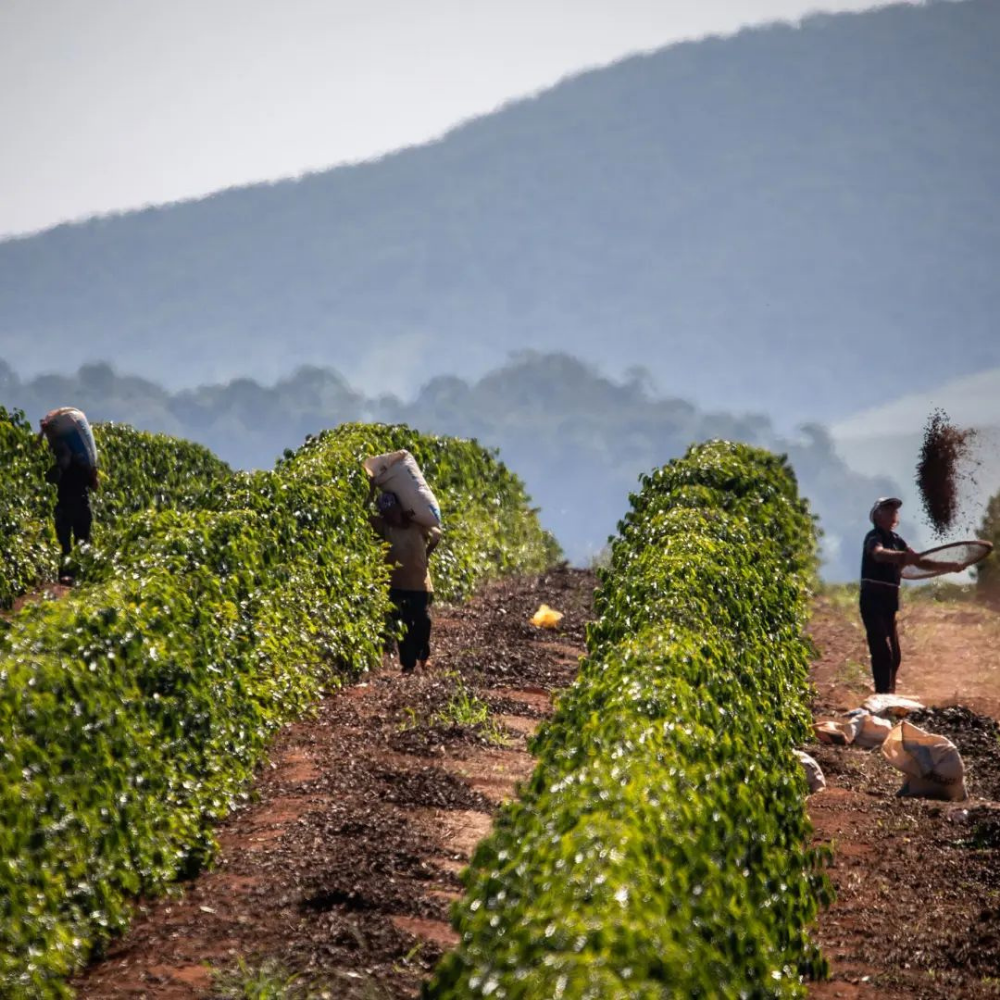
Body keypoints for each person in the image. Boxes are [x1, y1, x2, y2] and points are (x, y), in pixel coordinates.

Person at [368, 487, 442, 674]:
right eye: (386, 513)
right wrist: (370, 492)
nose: (391, 516)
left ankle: (423, 656)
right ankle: (408, 665)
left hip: (419, 583)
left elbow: (436, 536)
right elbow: (363, 515)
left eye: (393, 511)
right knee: (404, 623)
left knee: (423, 621)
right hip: (396, 583)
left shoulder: (417, 525)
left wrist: (426, 555)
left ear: (399, 509)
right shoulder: (385, 526)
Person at [859, 497, 923, 694]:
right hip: (872, 599)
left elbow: (919, 561)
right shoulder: (874, 537)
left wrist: (952, 566)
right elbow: (878, 554)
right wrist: (902, 557)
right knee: (882, 652)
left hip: (889, 601)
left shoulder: (897, 541)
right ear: (877, 515)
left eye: (893, 510)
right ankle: (882, 697)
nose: (892, 513)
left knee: (895, 656)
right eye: (887, 509)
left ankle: (889, 695)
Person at [44, 439, 99, 583]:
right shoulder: (61, 468)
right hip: (68, 509)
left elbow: (94, 486)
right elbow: (49, 480)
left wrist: (93, 475)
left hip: (78, 508)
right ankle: (68, 575)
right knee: (66, 545)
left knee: (80, 543)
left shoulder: (82, 467)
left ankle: (78, 575)